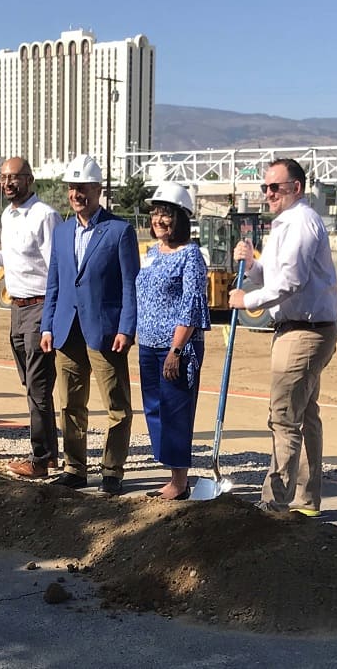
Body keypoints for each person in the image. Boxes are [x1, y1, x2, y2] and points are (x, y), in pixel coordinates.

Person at [229, 158, 337, 515]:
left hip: (304, 331)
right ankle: (307, 500)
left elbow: (291, 283)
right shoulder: (283, 225)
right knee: (304, 413)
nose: (268, 193)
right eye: (265, 187)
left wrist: (247, 300)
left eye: (275, 187)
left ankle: (275, 502)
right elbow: (272, 275)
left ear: (297, 187)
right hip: (295, 328)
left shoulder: (303, 223)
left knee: (284, 418)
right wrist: (251, 264)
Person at [40, 154, 140, 495]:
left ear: (98, 189)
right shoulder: (63, 232)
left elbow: (130, 284)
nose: (76, 194)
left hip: (105, 332)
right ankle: (74, 468)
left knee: (117, 406)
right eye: (72, 188)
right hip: (66, 330)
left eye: (82, 187)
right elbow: (54, 283)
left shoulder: (120, 231)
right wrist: (47, 326)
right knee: (70, 403)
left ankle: (112, 470)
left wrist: (127, 328)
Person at [0, 157, 62, 478]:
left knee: (37, 387)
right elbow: (11, 259)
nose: (8, 183)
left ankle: (39, 461)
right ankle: (50, 455)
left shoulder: (45, 216)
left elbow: (57, 270)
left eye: (15, 177)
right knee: (31, 385)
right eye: (3, 178)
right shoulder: (8, 215)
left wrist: (51, 318)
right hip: (17, 308)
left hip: (40, 308)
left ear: (30, 179)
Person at [137, 181, 211, 500]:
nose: (159, 220)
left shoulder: (190, 255)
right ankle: (171, 473)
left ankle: (179, 481)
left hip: (175, 348)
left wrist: (176, 349)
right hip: (148, 345)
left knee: (176, 411)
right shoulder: (152, 253)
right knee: (155, 409)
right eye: (155, 214)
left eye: (166, 214)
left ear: (181, 218)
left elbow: (192, 304)